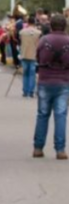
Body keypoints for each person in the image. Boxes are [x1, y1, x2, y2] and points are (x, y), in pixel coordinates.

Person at [33, 13, 69, 160]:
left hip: (45, 82)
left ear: (51, 25)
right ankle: (60, 150)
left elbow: (38, 57)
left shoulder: (44, 40)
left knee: (42, 115)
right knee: (60, 116)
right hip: (63, 83)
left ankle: (38, 148)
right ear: (65, 26)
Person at [19, 16, 42, 98]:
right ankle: (31, 91)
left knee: (25, 74)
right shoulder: (38, 32)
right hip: (33, 55)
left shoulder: (22, 32)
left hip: (24, 55)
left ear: (27, 22)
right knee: (32, 74)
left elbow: (20, 42)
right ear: (34, 23)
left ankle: (25, 91)